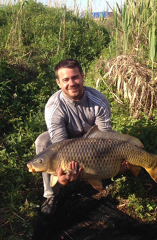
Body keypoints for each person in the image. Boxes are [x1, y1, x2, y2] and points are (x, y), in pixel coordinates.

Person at [35, 59, 129, 216]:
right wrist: (62, 175)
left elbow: (106, 138)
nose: (71, 83)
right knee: (43, 142)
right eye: (65, 80)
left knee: (114, 145)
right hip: (66, 142)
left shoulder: (99, 100)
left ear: (83, 77)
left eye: (75, 77)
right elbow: (60, 147)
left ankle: (104, 175)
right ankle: (51, 195)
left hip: (93, 142)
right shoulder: (54, 106)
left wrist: (116, 163)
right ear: (58, 83)